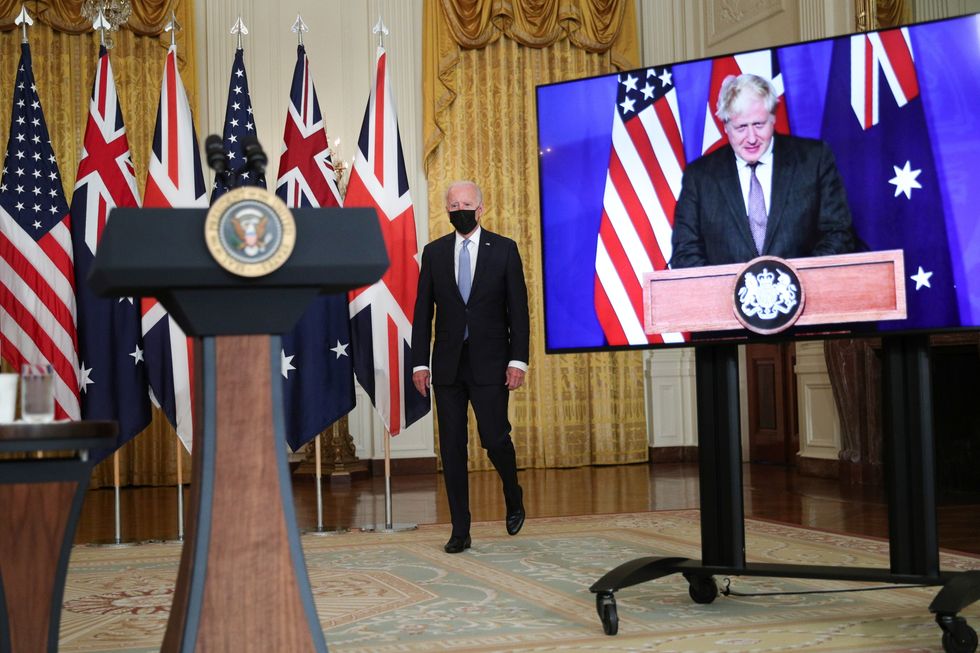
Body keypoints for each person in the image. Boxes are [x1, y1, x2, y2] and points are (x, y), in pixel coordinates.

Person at [411, 180, 530, 554]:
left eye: (465, 203)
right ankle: (460, 529)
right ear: (446, 210)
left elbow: (519, 314)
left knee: (494, 438)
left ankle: (513, 493)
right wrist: (419, 363)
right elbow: (421, 314)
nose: (458, 209)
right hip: (446, 366)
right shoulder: (433, 253)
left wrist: (517, 360)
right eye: (452, 204)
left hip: (491, 363)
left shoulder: (505, 251)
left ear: (480, 209)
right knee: (452, 447)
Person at [670, 73, 855, 269]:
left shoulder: (814, 159)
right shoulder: (699, 177)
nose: (751, 138)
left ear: (773, 118)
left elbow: (838, 234)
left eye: (759, 124)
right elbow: (685, 253)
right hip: (726, 298)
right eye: (741, 127)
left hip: (806, 295)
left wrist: (796, 284)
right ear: (725, 126)